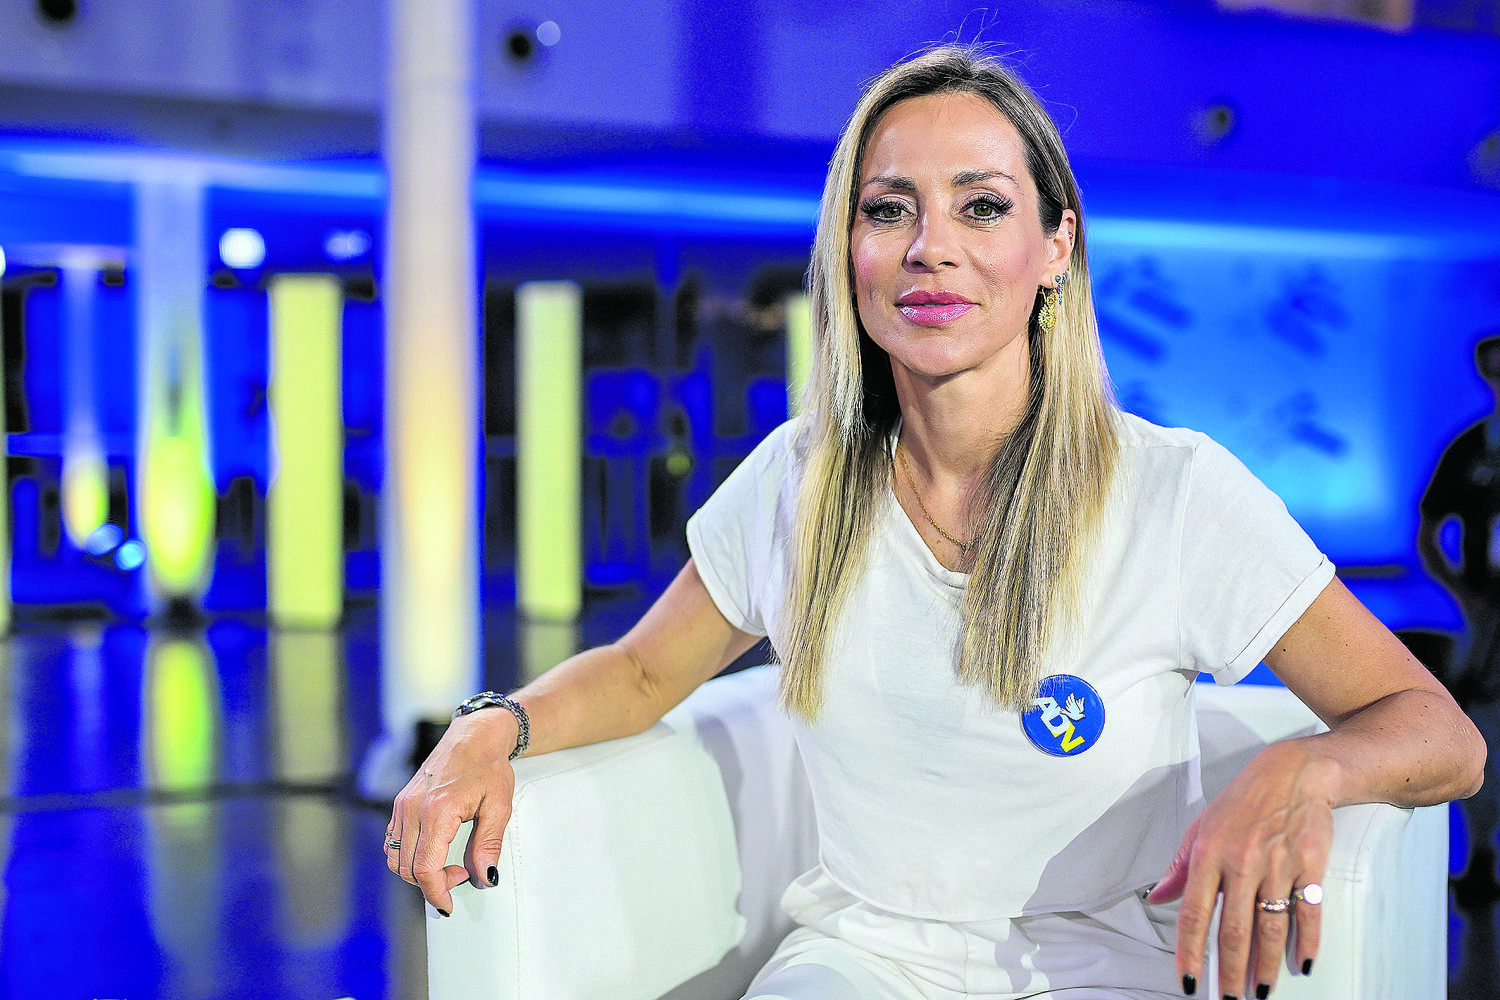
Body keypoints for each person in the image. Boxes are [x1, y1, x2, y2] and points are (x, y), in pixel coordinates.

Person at [387, 45, 1484, 1000]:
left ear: (1056, 247)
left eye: (982, 206)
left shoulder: (1176, 491)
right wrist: (490, 726)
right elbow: (638, 672)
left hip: (1104, 967)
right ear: (848, 247)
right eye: (888, 208)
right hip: (859, 960)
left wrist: (1302, 771)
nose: (930, 246)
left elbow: (1441, 734)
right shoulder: (798, 479)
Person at [1419, 333, 1500, 902]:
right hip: (1488, 615)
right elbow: (1427, 530)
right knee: (1483, 729)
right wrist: (1463, 596)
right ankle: (1481, 855)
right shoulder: (1470, 448)